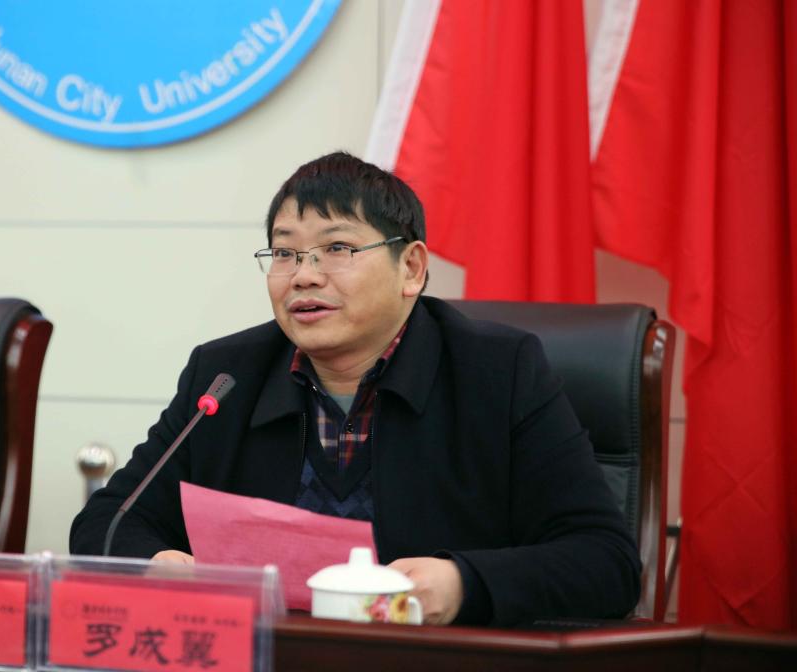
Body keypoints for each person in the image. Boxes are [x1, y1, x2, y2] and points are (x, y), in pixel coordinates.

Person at [70, 152, 640, 627]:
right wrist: (156, 563)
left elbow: (606, 562)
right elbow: (107, 521)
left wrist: (463, 583)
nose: (304, 275)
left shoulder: (499, 372)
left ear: (411, 268)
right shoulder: (226, 375)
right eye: (285, 252)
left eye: (337, 249)